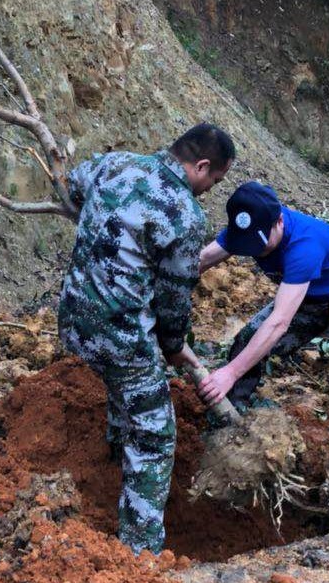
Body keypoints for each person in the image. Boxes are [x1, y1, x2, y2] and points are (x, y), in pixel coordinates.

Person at [58, 124, 236, 554]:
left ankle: (114, 460)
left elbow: (72, 185)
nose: (210, 190)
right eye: (214, 181)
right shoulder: (186, 215)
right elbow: (174, 299)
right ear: (202, 166)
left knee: (128, 391)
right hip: (119, 335)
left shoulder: (115, 164)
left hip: (73, 320)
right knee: (155, 433)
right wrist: (174, 346)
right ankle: (139, 553)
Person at [197, 181, 329, 483]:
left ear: (279, 221)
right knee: (247, 339)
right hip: (312, 297)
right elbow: (202, 260)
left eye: (260, 243)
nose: (254, 250)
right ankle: (234, 411)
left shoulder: (304, 245)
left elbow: (279, 322)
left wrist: (231, 372)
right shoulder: (248, 227)